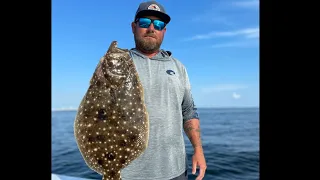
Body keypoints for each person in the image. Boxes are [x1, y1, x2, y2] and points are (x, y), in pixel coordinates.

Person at [120, 1, 207, 180]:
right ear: (133, 27)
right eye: (145, 22)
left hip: (174, 171)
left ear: (164, 31)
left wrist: (198, 150)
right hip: (125, 172)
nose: (152, 28)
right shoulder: (116, 62)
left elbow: (188, 111)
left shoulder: (179, 67)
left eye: (158, 25)